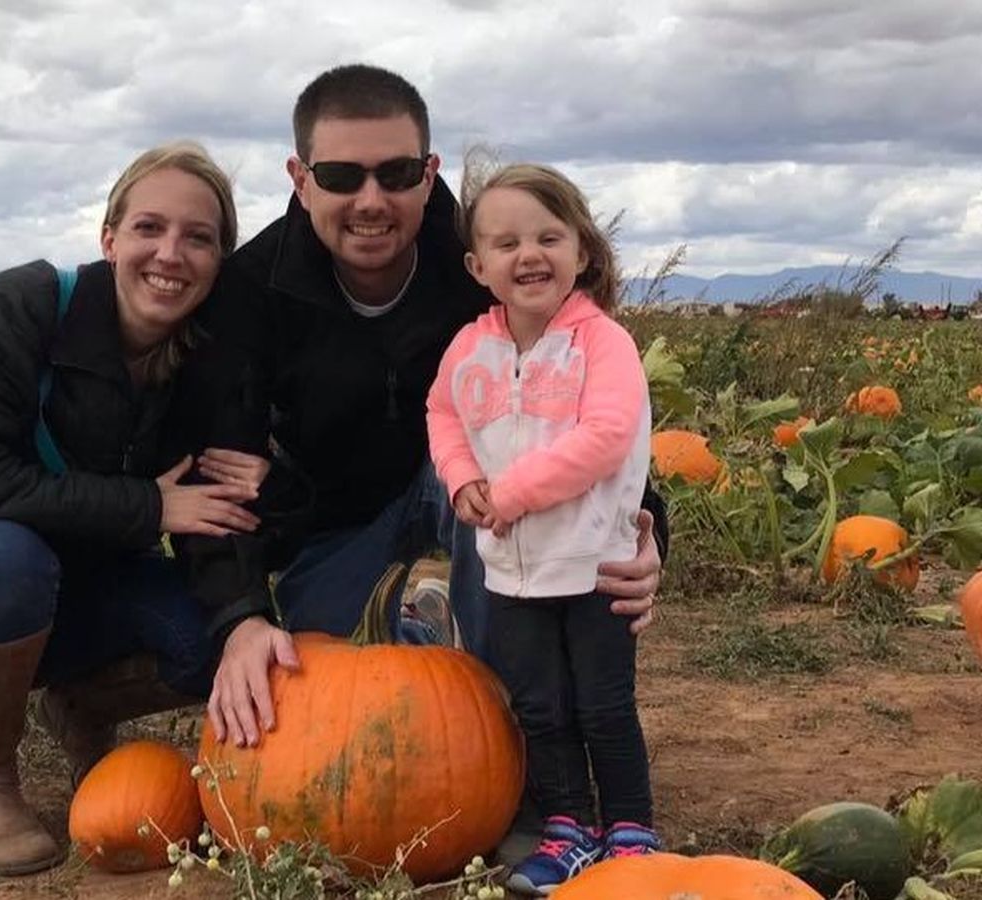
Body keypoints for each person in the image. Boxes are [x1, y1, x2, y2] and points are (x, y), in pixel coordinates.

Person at [198, 62, 668, 752]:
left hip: (476, 491)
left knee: (505, 517)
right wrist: (241, 615)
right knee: (322, 657)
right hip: (338, 516)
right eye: (341, 177)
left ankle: (525, 742)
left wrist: (643, 527)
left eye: (395, 174)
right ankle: (424, 624)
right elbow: (220, 468)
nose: (370, 200)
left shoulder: (483, 256)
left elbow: (585, 395)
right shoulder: (251, 290)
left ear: (428, 174)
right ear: (300, 179)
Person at [0, 142, 272, 876]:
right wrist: (145, 505)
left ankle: (81, 705)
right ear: (109, 238)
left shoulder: (208, 360)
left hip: (81, 604)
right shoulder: (27, 305)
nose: (170, 253)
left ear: (220, 260)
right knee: (4, 555)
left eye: (199, 237)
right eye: (149, 227)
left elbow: (210, 509)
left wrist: (248, 608)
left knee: (220, 634)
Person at [427, 161, 660, 895]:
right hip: (511, 571)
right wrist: (462, 479)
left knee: (603, 705)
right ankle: (568, 831)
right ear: (478, 267)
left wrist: (509, 494)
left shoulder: (602, 343)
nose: (528, 254)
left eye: (548, 238)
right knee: (540, 707)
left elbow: (606, 437)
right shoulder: (470, 349)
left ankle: (631, 833)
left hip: (594, 566)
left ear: (581, 251)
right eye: (506, 243)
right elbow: (442, 413)